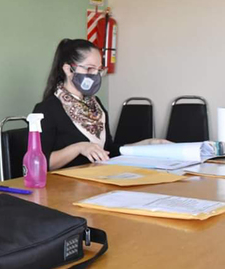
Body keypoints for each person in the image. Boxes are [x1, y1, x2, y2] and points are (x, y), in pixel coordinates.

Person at [33, 38, 165, 170]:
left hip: (98, 179)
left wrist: (147, 145)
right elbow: (39, 163)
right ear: (68, 70)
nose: (95, 75)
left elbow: (107, 150)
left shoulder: (95, 105)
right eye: (89, 69)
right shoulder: (46, 109)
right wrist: (79, 148)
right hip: (65, 186)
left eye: (99, 70)